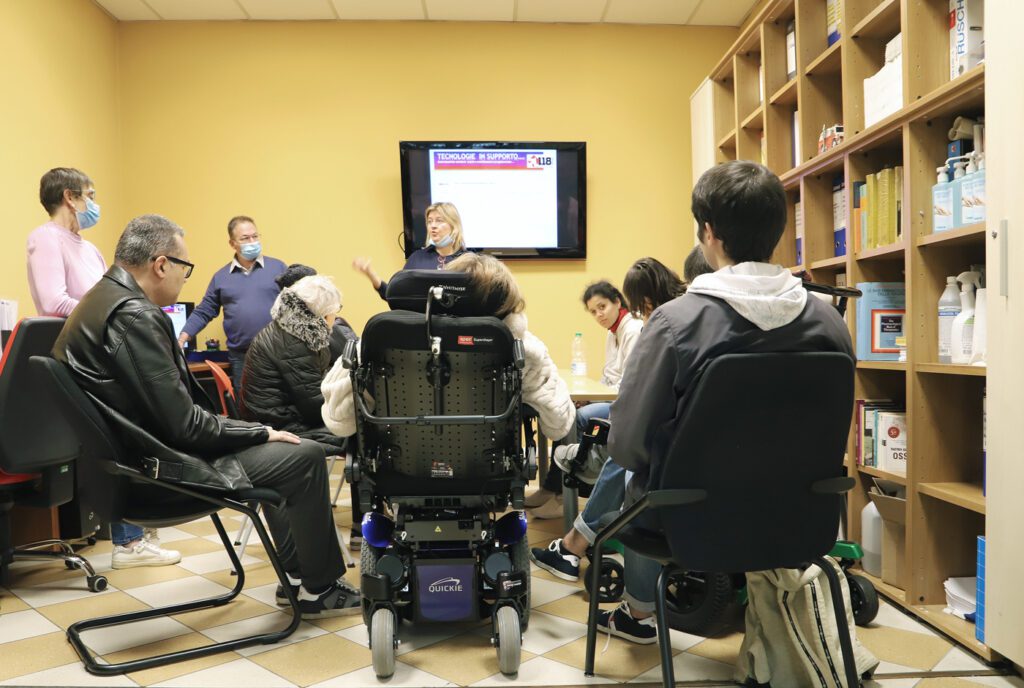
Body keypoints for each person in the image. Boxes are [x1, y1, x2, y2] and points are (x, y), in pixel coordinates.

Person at [591, 161, 854, 645]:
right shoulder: (829, 322)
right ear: (779, 230)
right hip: (801, 520)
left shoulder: (675, 323)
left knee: (634, 477)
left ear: (708, 232)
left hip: (689, 525)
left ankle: (639, 612)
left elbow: (626, 446)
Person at [53, 214, 360, 618]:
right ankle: (318, 588)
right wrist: (258, 432)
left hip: (123, 468)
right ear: (161, 265)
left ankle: (299, 579)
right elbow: (186, 425)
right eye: (185, 268)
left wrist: (253, 430)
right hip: (156, 471)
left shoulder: (99, 301)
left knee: (288, 450)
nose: (185, 279)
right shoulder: (135, 315)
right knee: (302, 456)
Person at [27, 167, 180, 569]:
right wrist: (108, 317)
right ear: (70, 197)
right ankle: (128, 544)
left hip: (105, 352)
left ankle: (138, 532)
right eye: (90, 195)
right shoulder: (45, 238)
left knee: (138, 429)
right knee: (116, 437)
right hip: (80, 357)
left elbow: (110, 296)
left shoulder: (90, 249)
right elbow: (53, 301)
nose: (94, 203)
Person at [530, 253, 709, 581]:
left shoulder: (660, 326)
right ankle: (571, 530)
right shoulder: (706, 324)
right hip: (698, 433)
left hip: (677, 437)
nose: (599, 314)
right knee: (613, 439)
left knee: (625, 454)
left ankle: (574, 545)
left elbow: (643, 390)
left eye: (603, 306)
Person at [322, 251, 575, 450]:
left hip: (401, 467)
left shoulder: (380, 341)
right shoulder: (523, 349)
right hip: (488, 470)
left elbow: (339, 420)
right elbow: (558, 423)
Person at [525, 279, 644, 518]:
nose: (599, 315)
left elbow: (629, 382)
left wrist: (593, 400)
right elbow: (609, 376)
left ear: (617, 302)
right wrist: (591, 398)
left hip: (628, 404)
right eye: (593, 311)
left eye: (602, 307)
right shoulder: (613, 332)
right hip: (615, 398)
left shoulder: (632, 329)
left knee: (575, 418)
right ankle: (551, 489)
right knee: (566, 408)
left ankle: (561, 495)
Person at [178, 216, 286, 392]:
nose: (252, 241)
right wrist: (182, 338)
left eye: (255, 236)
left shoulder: (279, 268)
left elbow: (297, 305)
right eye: (245, 238)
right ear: (232, 243)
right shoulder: (221, 277)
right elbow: (204, 311)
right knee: (245, 405)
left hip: (279, 353)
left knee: (283, 402)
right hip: (242, 357)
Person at [238, 273, 346, 450]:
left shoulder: (291, 328)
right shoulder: (295, 343)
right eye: (337, 309)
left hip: (275, 415)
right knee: (358, 431)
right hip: (277, 424)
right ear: (324, 313)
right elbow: (314, 409)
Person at [353, 202, 468, 300]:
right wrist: (371, 275)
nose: (433, 226)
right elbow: (395, 296)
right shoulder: (417, 258)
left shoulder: (469, 260)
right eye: (429, 221)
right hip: (422, 319)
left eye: (439, 220)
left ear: (454, 226)